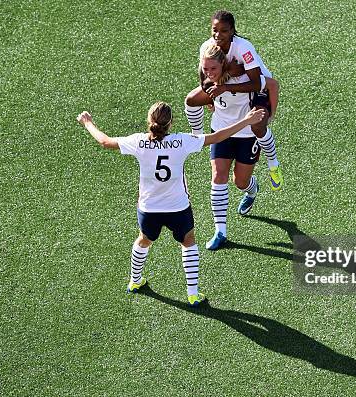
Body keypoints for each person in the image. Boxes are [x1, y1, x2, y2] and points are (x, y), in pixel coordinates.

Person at [77, 103, 264, 306]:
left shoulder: (139, 142)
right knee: (188, 242)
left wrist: (88, 123)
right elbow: (217, 137)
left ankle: (134, 281)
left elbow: (105, 142)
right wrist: (246, 121)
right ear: (171, 123)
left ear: (149, 121)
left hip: (149, 209)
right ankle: (193, 294)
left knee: (143, 240)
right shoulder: (181, 141)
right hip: (178, 208)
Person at [184, 10, 284, 192]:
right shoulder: (207, 47)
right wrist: (213, 93)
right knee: (191, 100)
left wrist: (225, 87)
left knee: (258, 125)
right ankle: (196, 136)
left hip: (257, 89)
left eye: (223, 31)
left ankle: (273, 164)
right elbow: (203, 76)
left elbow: (256, 83)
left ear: (232, 31)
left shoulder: (243, 48)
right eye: (215, 30)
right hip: (227, 85)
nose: (217, 35)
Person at [198, 44, 273, 250]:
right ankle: (220, 231)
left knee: (240, 182)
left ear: (224, 65)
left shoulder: (246, 75)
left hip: (247, 134)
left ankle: (251, 190)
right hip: (221, 130)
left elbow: (271, 85)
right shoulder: (209, 75)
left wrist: (268, 117)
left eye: (214, 69)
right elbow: (196, 91)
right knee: (218, 175)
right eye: (207, 69)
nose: (209, 73)